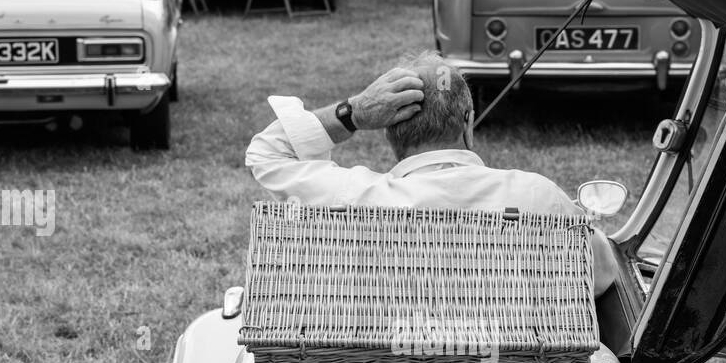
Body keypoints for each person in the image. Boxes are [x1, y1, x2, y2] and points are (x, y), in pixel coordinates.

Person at [244, 53, 616, 294]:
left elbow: (267, 152)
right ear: (468, 124)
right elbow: (600, 278)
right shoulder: (538, 196)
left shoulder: (350, 198)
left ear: (389, 130)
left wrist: (352, 112)